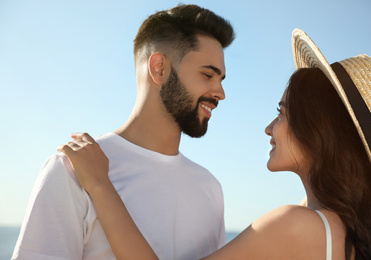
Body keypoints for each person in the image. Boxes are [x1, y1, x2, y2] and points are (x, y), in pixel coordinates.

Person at [58, 28, 371, 260]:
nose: (269, 128)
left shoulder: (297, 225)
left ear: (318, 130)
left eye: (282, 113)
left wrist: (100, 184)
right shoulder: (346, 230)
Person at [12, 4, 235, 260]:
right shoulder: (71, 169)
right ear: (159, 68)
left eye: (221, 80)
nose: (220, 93)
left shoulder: (210, 189)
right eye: (208, 74)